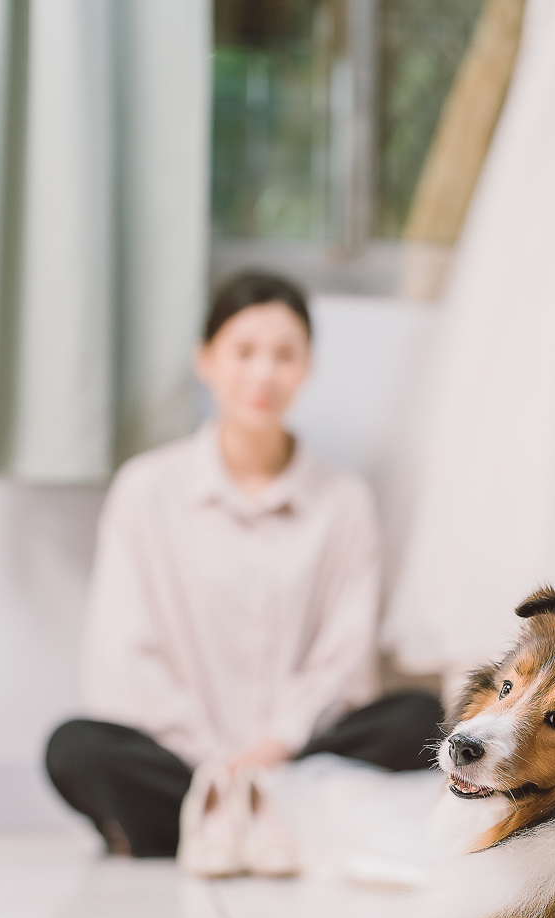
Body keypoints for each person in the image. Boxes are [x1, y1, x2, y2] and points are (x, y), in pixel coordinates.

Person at [45, 271, 443, 859]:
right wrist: (215, 762)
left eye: (284, 355)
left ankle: (206, 822)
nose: (262, 373)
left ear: (307, 367)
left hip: (297, 753)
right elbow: (123, 656)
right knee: (74, 748)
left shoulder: (344, 502)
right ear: (205, 360)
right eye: (243, 351)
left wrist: (275, 748)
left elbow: (345, 659)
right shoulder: (146, 490)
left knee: (420, 718)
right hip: (182, 758)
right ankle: (250, 814)